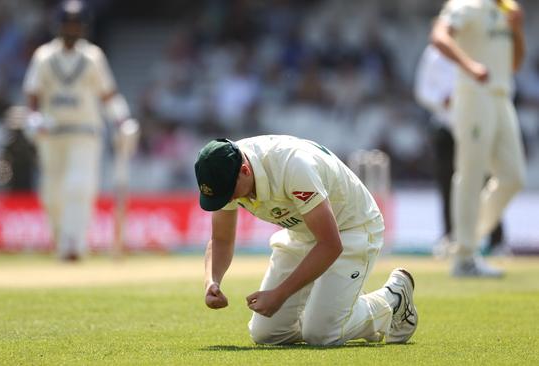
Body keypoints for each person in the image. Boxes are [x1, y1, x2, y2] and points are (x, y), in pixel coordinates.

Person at [195, 136, 417, 346]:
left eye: (229, 194)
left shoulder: (293, 165)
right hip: (301, 232)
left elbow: (330, 244)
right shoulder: (224, 172)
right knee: (268, 333)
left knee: (321, 335)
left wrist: (280, 294)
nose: (229, 200)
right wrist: (211, 281)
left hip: (351, 229)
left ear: (245, 171)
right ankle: (334, 310)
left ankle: (393, 298)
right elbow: (221, 239)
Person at [23, 0, 134, 261]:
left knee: (78, 186)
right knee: (51, 193)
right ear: (58, 26)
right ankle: (61, 239)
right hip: (52, 133)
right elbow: (33, 94)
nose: (72, 29)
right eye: (67, 24)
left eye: (76, 24)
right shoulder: (44, 56)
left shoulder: (93, 57)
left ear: (84, 27)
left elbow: (108, 95)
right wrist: (34, 117)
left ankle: (73, 244)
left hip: (85, 132)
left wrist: (122, 119)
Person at [431, 0, 526, 277]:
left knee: (513, 177)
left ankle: (466, 240)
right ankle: (464, 257)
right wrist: (470, 66)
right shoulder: (466, 4)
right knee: (471, 173)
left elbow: (515, 64)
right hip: (474, 95)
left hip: (501, 96)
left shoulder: (506, 7)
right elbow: (438, 36)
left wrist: (517, 29)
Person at [414, 43, 505, 257]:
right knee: (447, 183)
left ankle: (496, 240)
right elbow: (423, 90)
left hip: (477, 125)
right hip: (447, 127)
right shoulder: (434, 54)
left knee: (486, 181)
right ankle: (450, 238)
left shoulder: (479, 43)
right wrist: (441, 100)